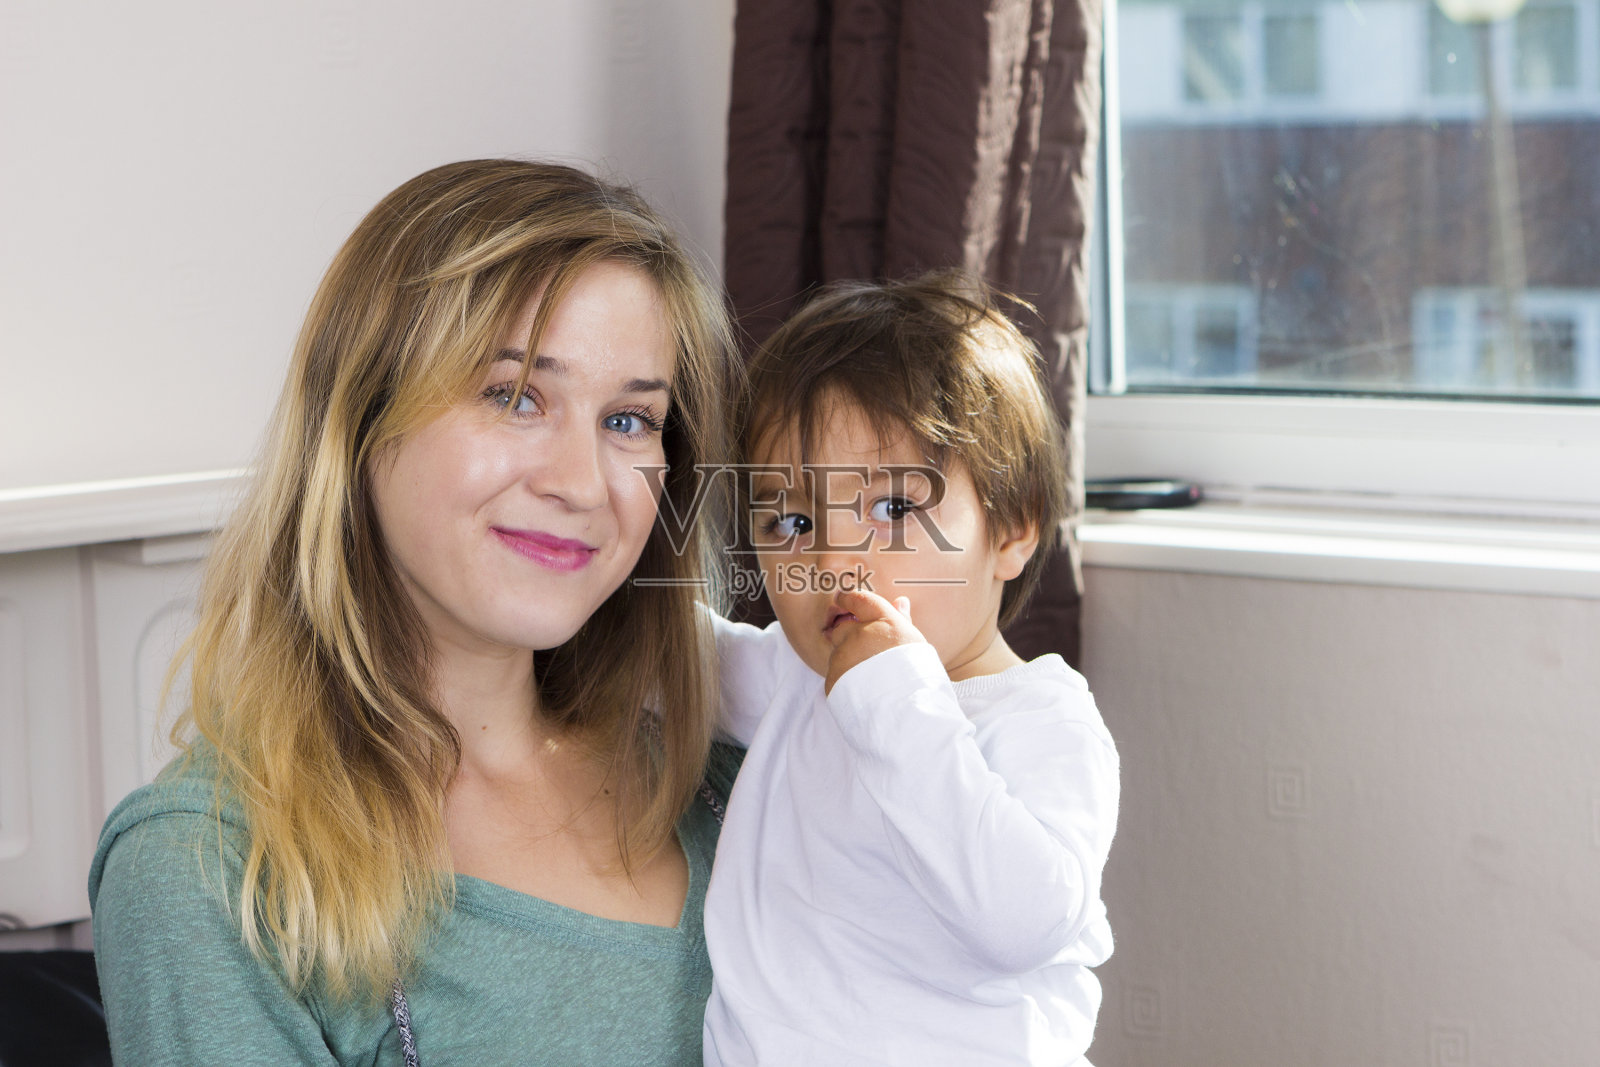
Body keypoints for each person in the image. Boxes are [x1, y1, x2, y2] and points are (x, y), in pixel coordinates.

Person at [88, 159, 738, 1066]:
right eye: (514, 396)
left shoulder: (742, 786)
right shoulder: (211, 870)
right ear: (362, 423)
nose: (583, 484)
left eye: (629, 421)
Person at [703, 271, 1121, 1066]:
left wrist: (895, 702)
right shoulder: (797, 680)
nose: (834, 557)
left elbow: (1024, 921)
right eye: (792, 520)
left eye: (893, 509)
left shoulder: (1042, 721)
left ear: (1013, 527)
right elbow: (674, 659)